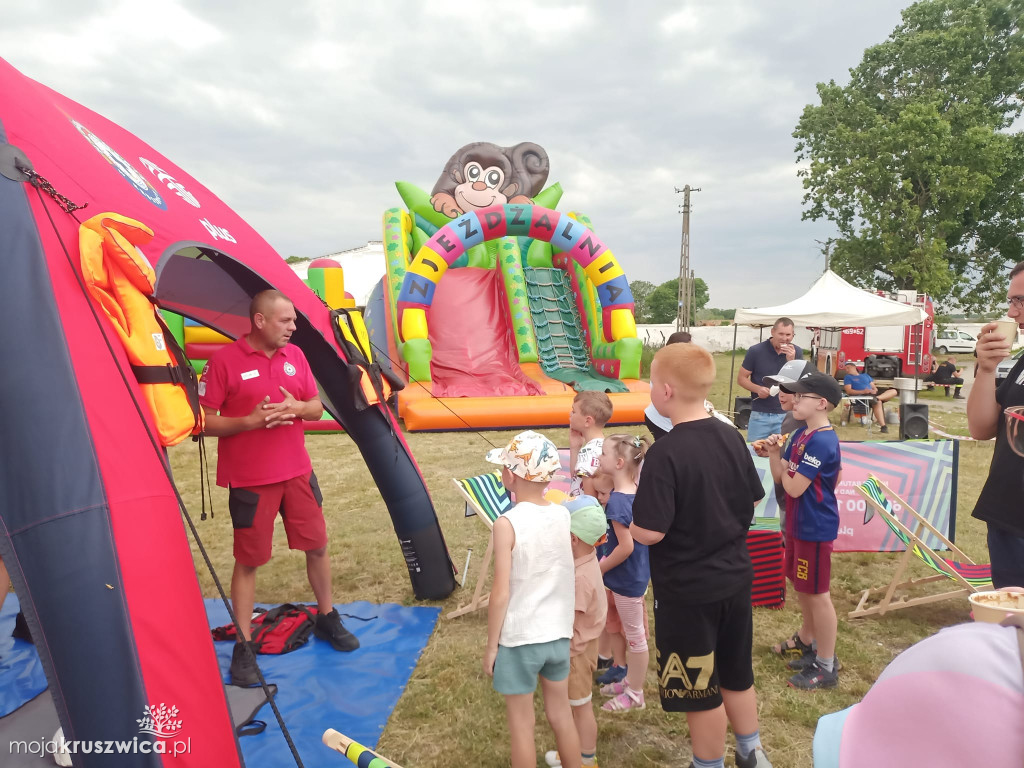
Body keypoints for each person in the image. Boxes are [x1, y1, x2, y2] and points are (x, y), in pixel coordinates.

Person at [200, 290, 358, 687]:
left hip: (297, 472)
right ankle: (244, 644)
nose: (293, 327)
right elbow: (202, 421)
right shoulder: (223, 362)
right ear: (259, 321)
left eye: (293, 321)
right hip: (251, 480)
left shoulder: (296, 357)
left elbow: (315, 406)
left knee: (317, 545)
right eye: (285, 321)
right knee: (249, 561)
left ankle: (327, 617)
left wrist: (298, 409)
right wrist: (248, 422)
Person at [631, 343, 773, 768]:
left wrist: (622, 521)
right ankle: (752, 751)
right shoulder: (730, 435)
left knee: (699, 688)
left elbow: (651, 531)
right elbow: (749, 502)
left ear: (667, 391)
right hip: (734, 580)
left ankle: (707, 763)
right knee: (736, 671)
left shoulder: (664, 453)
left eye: (653, 383)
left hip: (687, 593)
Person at [482, 430, 580, 768]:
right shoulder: (562, 514)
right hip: (558, 635)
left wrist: (493, 646)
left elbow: (500, 593)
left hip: (520, 639)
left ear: (509, 475)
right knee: (562, 715)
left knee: (522, 726)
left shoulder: (506, 523)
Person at [765, 371, 843, 690]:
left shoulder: (823, 440)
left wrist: (785, 470)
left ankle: (826, 664)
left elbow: (794, 488)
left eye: (801, 396)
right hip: (799, 524)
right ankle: (810, 644)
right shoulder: (800, 435)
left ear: (821, 403)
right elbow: (781, 478)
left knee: (817, 594)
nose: (793, 400)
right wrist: (774, 456)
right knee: (803, 587)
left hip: (814, 527)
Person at [969, 260, 1024, 588]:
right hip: (1005, 514)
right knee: (1011, 627)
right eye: (1012, 301)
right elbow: (982, 428)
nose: (1013, 312)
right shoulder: (1021, 362)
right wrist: (986, 368)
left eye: (1021, 301)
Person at [544, 496, 609, 768]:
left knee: (580, 706)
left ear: (572, 539)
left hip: (576, 654)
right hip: (585, 645)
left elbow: (568, 620)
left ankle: (585, 759)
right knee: (572, 706)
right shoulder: (588, 559)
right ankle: (572, 751)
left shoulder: (580, 579)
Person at [594, 434, 650, 712]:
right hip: (626, 578)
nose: (599, 459)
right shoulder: (635, 491)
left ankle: (635, 692)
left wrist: (598, 568)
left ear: (617, 463)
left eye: (603, 454)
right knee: (623, 629)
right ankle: (628, 678)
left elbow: (625, 547)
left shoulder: (616, 502)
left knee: (636, 637)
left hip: (627, 581)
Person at [737, 318, 803, 441]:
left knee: (783, 454)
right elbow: (741, 378)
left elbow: (800, 383)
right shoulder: (756, 351)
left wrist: (792, 361)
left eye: (788, 335)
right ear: (772, 332)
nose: (784, 338)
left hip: (786, 414)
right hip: (760, 414)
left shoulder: (796, 352)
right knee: (755, 452)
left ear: (793, 335)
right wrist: (758, 389)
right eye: (781, 334)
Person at [568, 391, 612, 497]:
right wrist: (575, 447)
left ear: (587, 421)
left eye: (574, 412)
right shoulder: (606, 447)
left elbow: (589, 500)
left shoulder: (587, 453)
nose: (570, 415)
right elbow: (576, 479)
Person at [841, 362, 897, 432]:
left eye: (848, 368)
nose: (846, 370)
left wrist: (873, 390)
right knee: (878, 403)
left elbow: (874, 388)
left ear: (854, 367)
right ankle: (883, 426)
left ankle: (877, 398)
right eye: (845, 369)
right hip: (861, 396)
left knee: (894, 391)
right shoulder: (848, 377)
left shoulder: (865, 376)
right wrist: (863, 391)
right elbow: (849, 391)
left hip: (872, 395)